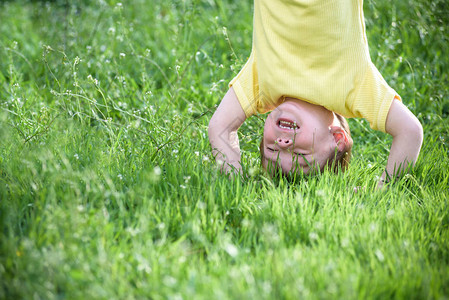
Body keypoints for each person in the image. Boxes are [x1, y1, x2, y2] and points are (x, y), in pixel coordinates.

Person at [208, 0, 423, 187]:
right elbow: (410, 131)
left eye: (271, 150)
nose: (283, 145)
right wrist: (384, 188)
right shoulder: (352, 88)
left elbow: (220, 128)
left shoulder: (261, 86)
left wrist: (237, 182)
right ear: (337, 138)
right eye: (300, 156)